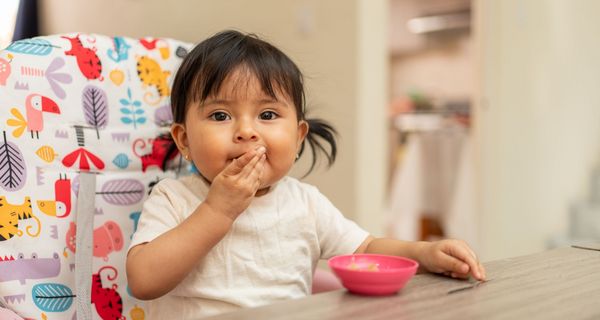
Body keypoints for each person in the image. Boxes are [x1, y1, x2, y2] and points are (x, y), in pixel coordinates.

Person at [126, 30, 486, 319]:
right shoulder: (174, 198)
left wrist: (424, 253)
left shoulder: (305, 203)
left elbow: (366, 248)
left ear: (298, 138)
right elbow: (143, 281)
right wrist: (217, 211)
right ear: (184, 140)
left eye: (267, 115)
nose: (247, 131)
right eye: (220, 115)